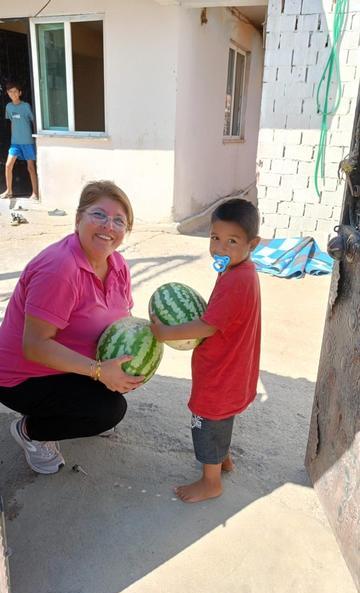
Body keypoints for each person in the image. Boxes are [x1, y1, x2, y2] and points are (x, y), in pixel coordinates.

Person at [0, 180, 144, 474]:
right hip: (20, 374)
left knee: (114, 392)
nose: (109, 226)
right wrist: (100, 371)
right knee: (108, 411)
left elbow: (122, 322)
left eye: (119, 220)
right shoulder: (60, 268)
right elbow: (35, 345)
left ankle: (71, 407)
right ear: (78, 218)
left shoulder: (117, 264)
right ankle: (30, 430)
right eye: (99, 215)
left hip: (65, 365)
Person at [151, 199, 261, 503]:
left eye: (232, 241)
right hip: (232, 367)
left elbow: (206, 326)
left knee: (206, 421)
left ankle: (210, 481)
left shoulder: (236, 281)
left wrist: (166, 333)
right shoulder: (240, 270)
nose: (220, 248)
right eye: (215, 238)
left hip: (221, 371)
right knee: (221, 418)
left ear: (254, 243)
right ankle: (222, 459)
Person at [0, 80, 39, 200]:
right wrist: (14, 137)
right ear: (7, 93)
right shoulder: (9, 107)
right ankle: (9, 191)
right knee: (8, 165)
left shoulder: (26, 106)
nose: (13, 94)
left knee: (31, 167)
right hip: (15, 143)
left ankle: (35, 193)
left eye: (15, 91)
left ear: (20, 93)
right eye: (10, 92)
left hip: (27, 142)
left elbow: (34, 121)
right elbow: (12, 122)